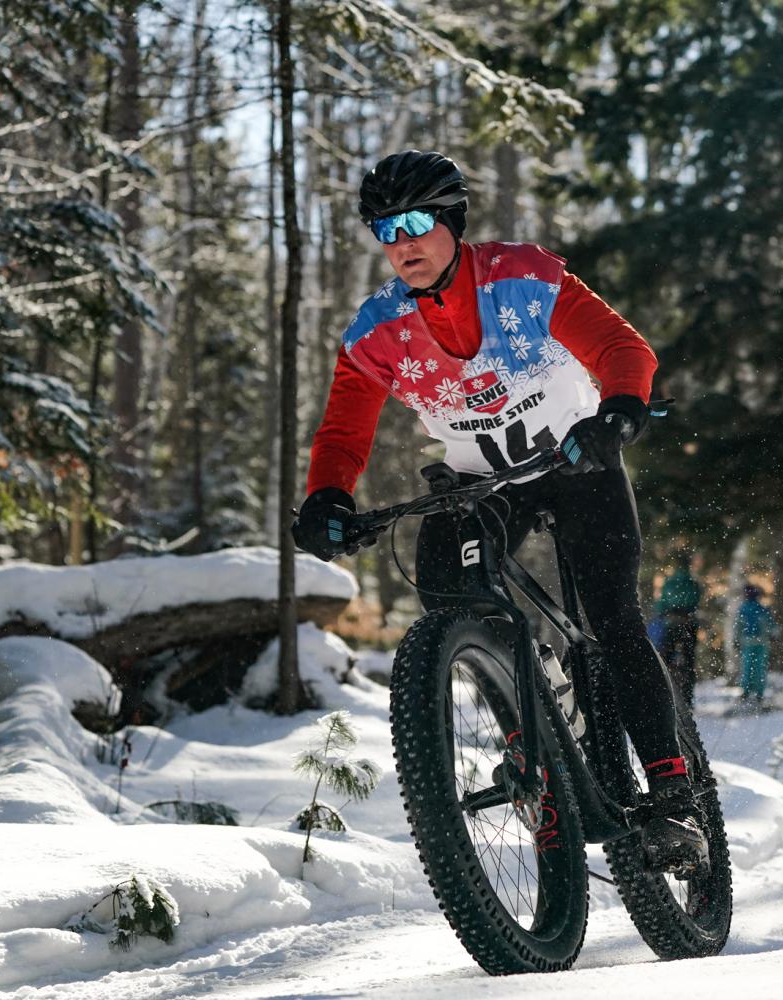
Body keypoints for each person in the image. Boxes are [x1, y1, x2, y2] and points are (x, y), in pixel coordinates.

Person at [290, 149, 706, 872]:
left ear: (453, 221)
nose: (403, 243)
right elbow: (344, 429)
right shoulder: (377, 329)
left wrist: (619, 415)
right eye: (385, 231)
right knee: (445, 591)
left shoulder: (521, 278)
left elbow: (620, 347)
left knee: (610, 615)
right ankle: (530, 721)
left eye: (418, 223)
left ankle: (675, 799)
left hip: (579, 466)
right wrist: (326, 496)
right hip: (478, 481)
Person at [655, 552, 703, 705]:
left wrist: (664, 613)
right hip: (689, 623)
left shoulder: (669, 582)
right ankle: (688, 698)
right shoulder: (692, 582)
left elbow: (661, 603)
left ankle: (667, 694)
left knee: (666, 659)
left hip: (670, 623)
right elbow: (696, 600)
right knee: (689, 660)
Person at [734, 583, 778, 708]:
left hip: (747, 641)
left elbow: (738, 627)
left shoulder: (743, 609)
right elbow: (772, 626)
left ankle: (746, 692)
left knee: (747, 666)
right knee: (760, 667)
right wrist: (774, 634)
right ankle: (759, 693)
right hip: (762, 642)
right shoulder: (762, 608)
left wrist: (735, 641)